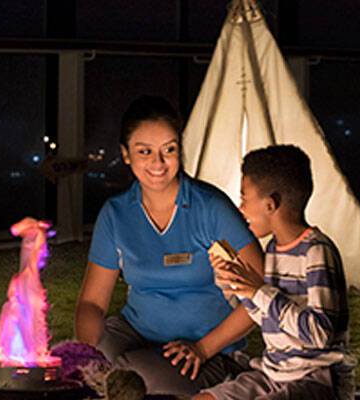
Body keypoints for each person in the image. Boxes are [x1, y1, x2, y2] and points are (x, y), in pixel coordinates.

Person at [76, 96, 266, 397]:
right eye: (144, 151)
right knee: (73, 366)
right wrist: (84, 356)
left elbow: (261, 295)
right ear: (126, 155)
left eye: (169, 150)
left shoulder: (211, 208)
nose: (158, 163)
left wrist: (204, 349)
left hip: (204, 350)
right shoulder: (116, 214)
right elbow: (92, 304)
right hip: (135, 334)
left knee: (131, 379)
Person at [202, 145, 353, 400]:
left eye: (244, 199)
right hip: (274, 375)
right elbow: (267, 317)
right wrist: (233, 281)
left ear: (270, 204)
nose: (241, 209)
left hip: (316, 380)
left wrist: (260, 291)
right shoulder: (273, 250)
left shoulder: (317, 252)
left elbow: (320, 334)